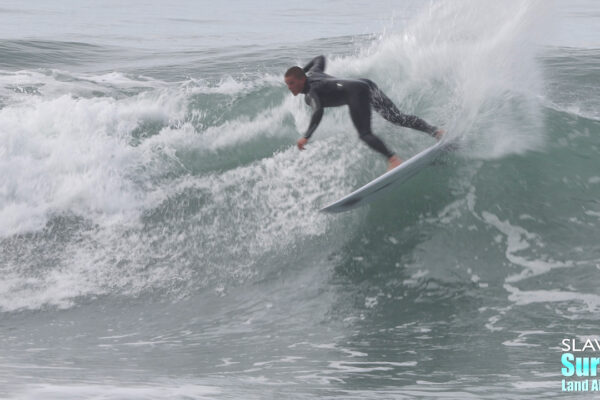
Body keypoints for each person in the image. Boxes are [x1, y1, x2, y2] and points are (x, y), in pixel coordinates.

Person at [284, 55, 444, 171]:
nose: (290, 87)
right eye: (288, 84)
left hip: (355, 92)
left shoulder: (311, 92)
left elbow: (318, 110)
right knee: (397, 118)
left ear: (302, 80)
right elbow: (320, 59)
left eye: (292, 83)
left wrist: (307, 136)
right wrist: (302, 72)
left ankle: (393, 159)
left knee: (364, 134)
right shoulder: (313, 74)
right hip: (365, 84)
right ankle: (436, 132)